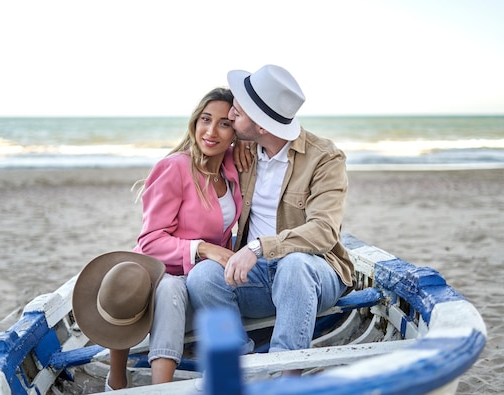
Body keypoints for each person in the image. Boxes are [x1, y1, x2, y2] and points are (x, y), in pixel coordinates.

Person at [186, 65, 355, 374]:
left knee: (294, 265)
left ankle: (286, 372)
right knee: (203, 277)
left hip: (315, 272)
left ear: (262, 126)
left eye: (237, 113)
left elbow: (324, 232)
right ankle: (240, 363)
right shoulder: (246, 149)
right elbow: (199, 145)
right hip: (258, 279)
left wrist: (258, 248)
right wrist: (237, 144)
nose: (231, 117)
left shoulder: (325, 158)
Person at [74, 87, 243, 391]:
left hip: (203, 282)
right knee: (170, 289)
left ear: (235, 131)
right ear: (194, 122)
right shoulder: (175, 167)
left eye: (224, 123)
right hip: (158, 278)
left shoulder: (232, 170)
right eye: (205, 119)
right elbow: (150, 241)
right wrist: (203, 249)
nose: (211, 131)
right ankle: (158, 387)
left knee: (186, 289)